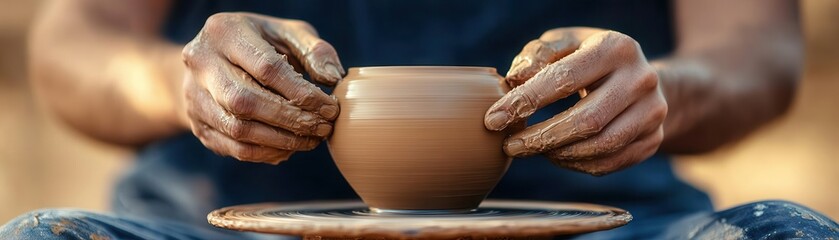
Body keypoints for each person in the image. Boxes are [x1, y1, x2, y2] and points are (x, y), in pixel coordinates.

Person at [3, 0, 837, 239]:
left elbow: (757, 50)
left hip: (602, 221)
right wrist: (177, 80)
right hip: (224, 220)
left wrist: (664, 89)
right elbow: (71, 44)